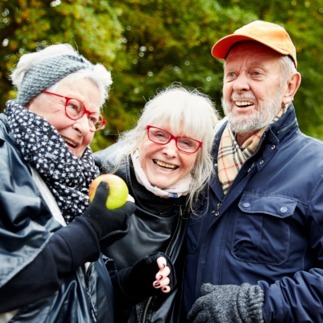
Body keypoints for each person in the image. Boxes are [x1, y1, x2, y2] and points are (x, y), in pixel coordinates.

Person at [0, 43, 173, 323]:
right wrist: (90, 231)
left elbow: (77, 296)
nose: (83, 127)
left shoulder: (74, 181)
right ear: (31, 98)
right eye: (73, 107)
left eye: (92, 118)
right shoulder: (4, 156)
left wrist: (128, 286)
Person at [183, 20, 323, 322]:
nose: (239, 85)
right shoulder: (195, 156)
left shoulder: (317, 168)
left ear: (289, 86)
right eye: (231, 74)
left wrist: (256, 304)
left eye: (256, 73)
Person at [94, 84, 220, 322]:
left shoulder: (203, 206)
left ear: (200, 154)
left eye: (186, 143)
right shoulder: (96, 179)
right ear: (141, 135)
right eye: (160, 135)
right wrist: (127, 284)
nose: (170, 151)